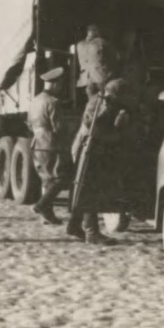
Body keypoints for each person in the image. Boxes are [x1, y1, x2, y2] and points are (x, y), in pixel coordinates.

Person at [69, 78, 133, 245]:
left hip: (88, 148)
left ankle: (74, 226)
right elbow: (95, 131)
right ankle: (91, 233)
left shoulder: (101, 101)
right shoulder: (101, 104)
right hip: (87, 150)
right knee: (89, 190)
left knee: (82, 190)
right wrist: (118, 129)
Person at [29, 67, 72, 226]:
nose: (60, 88)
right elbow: (59, 128)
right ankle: (40, 206)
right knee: (61, 178)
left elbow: (30, 124)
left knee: (46, 180)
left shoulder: (35, 100)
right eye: (60, 84)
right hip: (51, 146)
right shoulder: (53, 102)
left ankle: (47, 215)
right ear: (54, 84)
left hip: (37, 144)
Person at [75, 24, 118, 91]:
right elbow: (114, 59)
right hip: (100, 77)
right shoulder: (104, 43)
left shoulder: (79, 45)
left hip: (84, 79)